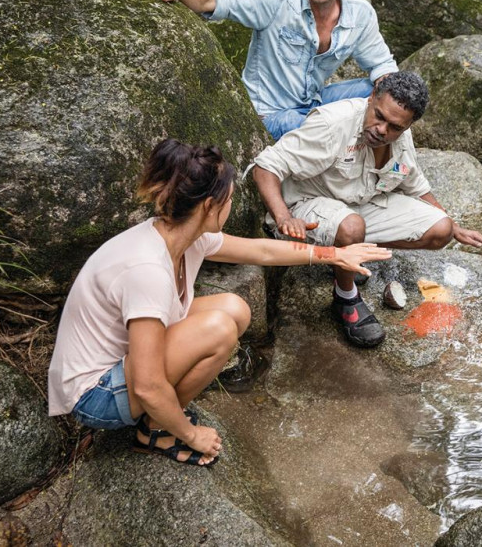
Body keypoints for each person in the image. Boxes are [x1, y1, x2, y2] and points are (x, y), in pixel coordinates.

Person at [48, 139, 391, 466]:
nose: (231, 204)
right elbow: (148, 385)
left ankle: (160, 420)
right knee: (219, 330)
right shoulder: (147, 270)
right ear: (209, 206)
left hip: (122, 360)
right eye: (228, 198)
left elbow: (262, 250)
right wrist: (191, 434)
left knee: (235, 309)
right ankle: (156, 432)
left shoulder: (184, 234)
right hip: (95, 394)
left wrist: (334, 254)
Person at [251, 71, 482, 349]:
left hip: (355, 205)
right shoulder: (333, 123)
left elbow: (415, 185)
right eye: (379, 116)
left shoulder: (400, 136)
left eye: (394, 127)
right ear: (371, 99)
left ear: (407, 126)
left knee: (441, 230)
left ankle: (345, 253)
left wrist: (454, 226)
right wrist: (284, 216)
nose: (382, 130)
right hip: (303, 207)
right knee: (351, 227)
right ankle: (346, 296)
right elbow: (266, 167)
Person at [138, 0, 398, 140]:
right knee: (312, 127)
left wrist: (388, 98)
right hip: (269, 116)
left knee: (384, 91)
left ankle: (386, 164)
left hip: (313, 103)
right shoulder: (277, 0)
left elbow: (381, 65)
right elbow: (214, 0)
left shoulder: (359, 13)